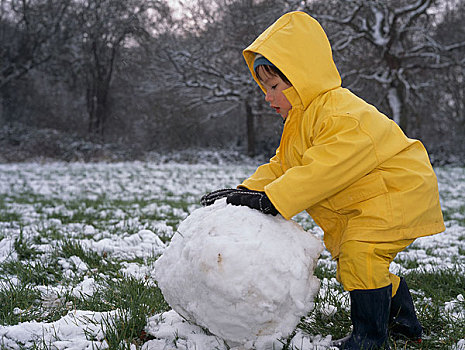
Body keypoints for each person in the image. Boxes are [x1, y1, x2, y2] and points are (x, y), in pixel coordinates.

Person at [200, 11, 445, 350]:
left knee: (362, 255)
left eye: (273, 87)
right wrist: (247, 190)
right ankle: (404, 323)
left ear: (299, 77)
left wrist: (274, 199)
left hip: (397, 191)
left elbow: (323, 168)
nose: (268, 97)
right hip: (370, 200)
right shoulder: (300, 121)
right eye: (264, 89)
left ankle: (370, 340)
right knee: (355, 262)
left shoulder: (340, 112)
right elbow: (284, 165)